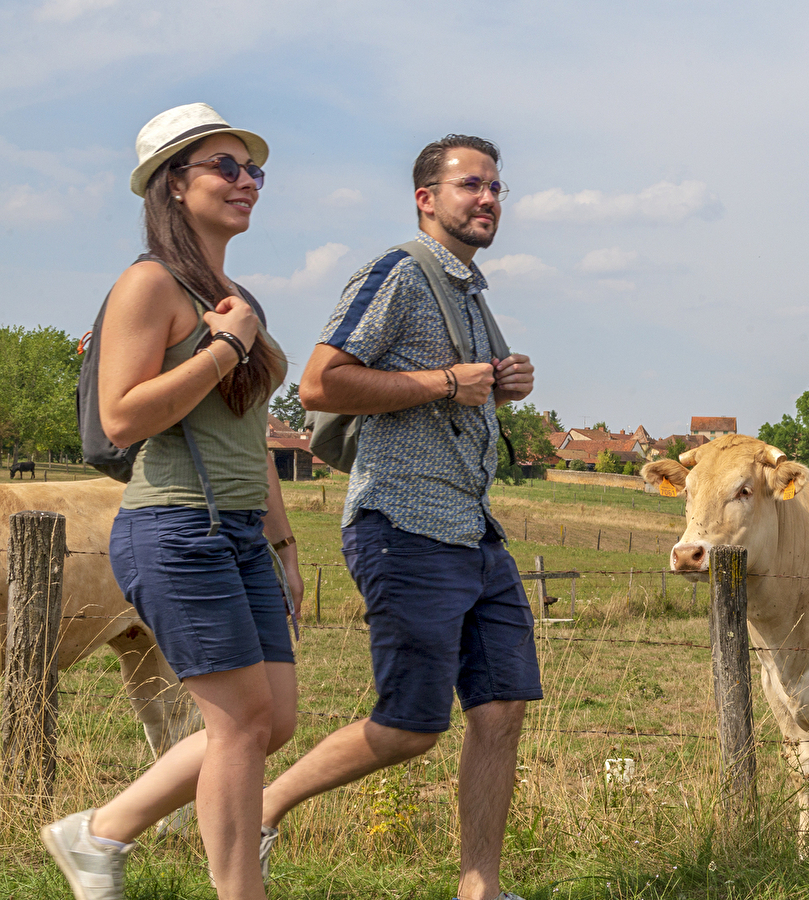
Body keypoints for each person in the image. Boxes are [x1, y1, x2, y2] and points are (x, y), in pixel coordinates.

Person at [261, 135, 540, 900]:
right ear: (427, 198)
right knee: (413, 725)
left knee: (503, 706)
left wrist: (503, 380)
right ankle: (262, 808)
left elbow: (463, 390)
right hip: (403, 525)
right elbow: (321, 384)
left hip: (475, 530)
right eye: (470, 187)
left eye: (496, 190)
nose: (487, 200)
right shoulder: (399, 273)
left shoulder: (470, 291)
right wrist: (448, 381)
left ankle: (478, 888)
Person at [42, 104, 301, 900]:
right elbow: (123, 416)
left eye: (253, 169)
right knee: (237, 730)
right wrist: (229, 345)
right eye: (226, 167)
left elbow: (248, 434)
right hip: (174, 526)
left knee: (272, 722)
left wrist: (283, 544)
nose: (247, 181)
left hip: (240, 535)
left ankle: (102, 831)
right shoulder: (149, 284)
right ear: (172, 184)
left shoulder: (230, 290)